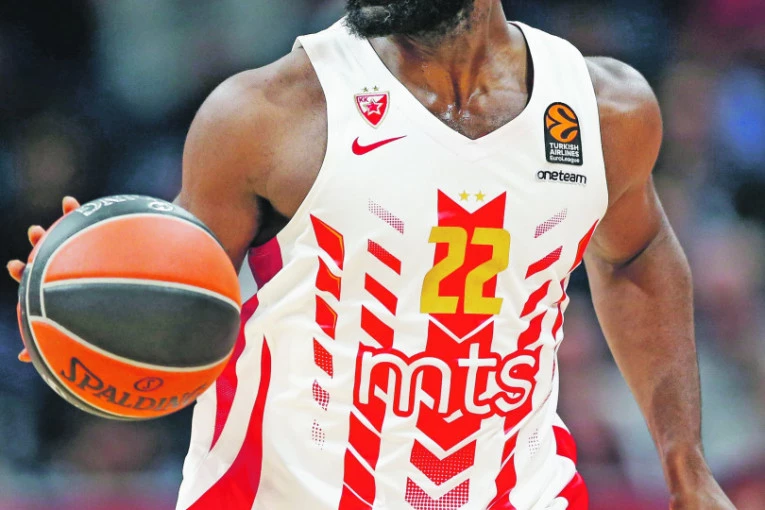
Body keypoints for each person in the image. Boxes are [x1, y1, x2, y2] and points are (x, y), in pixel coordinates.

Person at [7, 1, 736, 509]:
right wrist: (89, 296)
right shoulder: (266, 115)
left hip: (524, 494)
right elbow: (171, 312)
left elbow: (635, 251)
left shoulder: (601, 109)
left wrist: (685, 466)